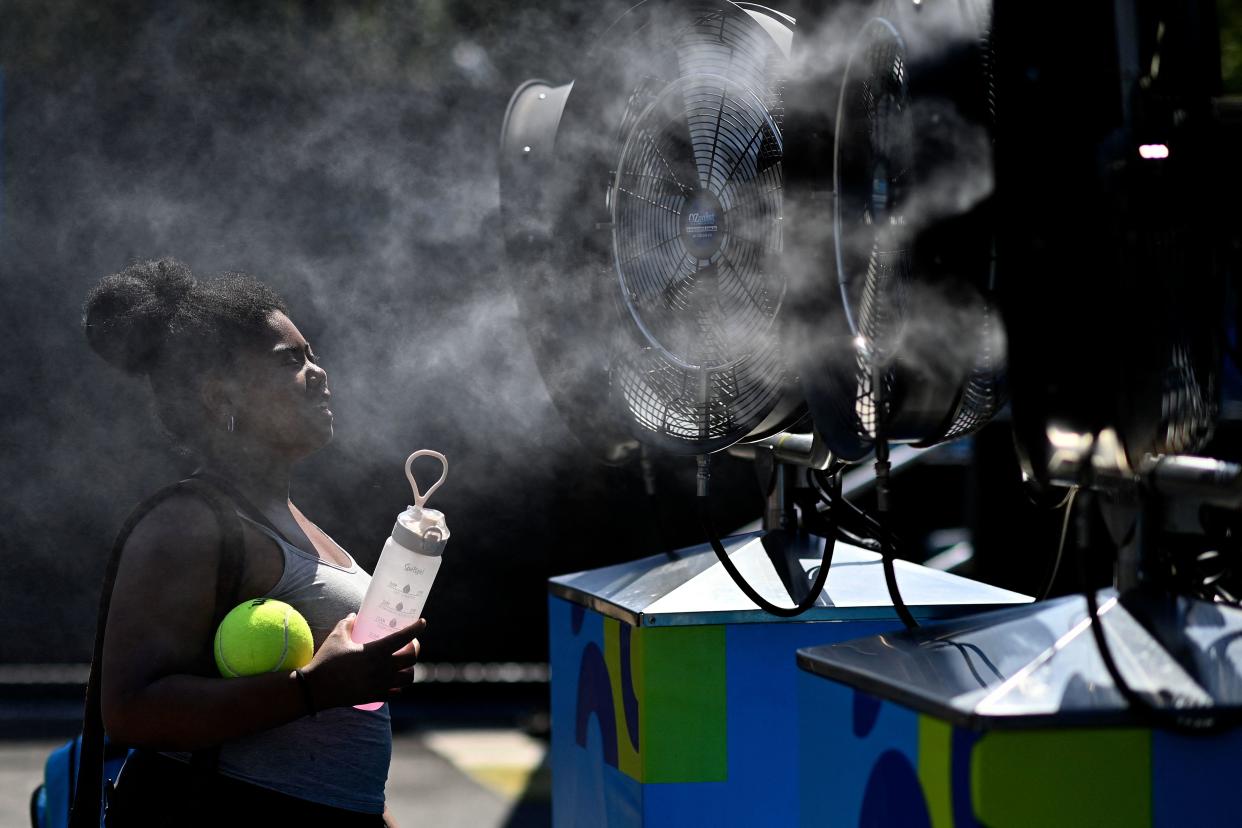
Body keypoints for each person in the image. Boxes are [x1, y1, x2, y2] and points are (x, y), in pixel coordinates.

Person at [83, 258, 419, 825]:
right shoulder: (189, 524)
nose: (320, 372)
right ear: (221, 398)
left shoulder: (301, 524)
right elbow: (131, 712)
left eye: (312, 354)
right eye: (291, 360)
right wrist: (313, 689)